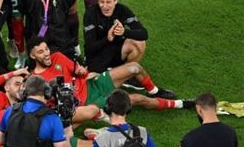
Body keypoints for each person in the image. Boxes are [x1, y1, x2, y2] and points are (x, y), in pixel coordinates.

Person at [28, 37, 195, 118]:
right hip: (88, 102)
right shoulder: (36, 80)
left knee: (134, 67)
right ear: (32, 55)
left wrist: (82, 73)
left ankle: (155, 91)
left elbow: (80, 72)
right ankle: (180, 104)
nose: (46, 53)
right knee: (137, 99)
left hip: (92, 84)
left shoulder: (57, 56)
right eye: (41, 52)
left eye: (46, 49)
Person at [84, 0, 148, 74]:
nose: (105, 6)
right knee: (96, 82)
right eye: (101, 2)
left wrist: (124, 32)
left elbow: (144, 34)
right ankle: (114, 72)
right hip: (98, 54)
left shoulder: (122, 10)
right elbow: (89, 48)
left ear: (116, 0)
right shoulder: (91, 14)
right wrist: (107, 39)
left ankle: (126, 75)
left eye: (108, 2)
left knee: (140, 43)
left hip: (117, 50)